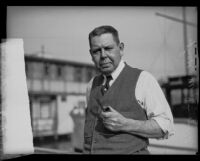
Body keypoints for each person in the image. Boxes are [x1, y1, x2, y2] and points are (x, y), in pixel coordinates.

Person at [83, 25, 174, 154]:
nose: (103, 55)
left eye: (108, 48)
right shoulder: (91, 85)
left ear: (121, 49)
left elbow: (165, 126)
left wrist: (126, 124)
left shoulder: (143, 79)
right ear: (91, 54)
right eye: (97, 51)